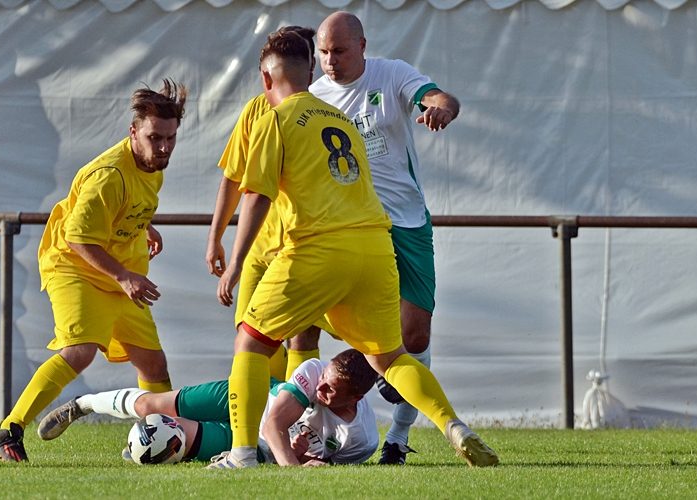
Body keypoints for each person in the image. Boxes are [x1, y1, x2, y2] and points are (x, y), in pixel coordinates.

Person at [209, 29, 497, 470]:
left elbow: (256, 196)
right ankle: (453, 425)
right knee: (390, 357)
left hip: (320, 248)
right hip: (375, 248)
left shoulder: (274, 118)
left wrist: (237, 261)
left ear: (267, 81)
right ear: (309, 71)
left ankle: (244, 454)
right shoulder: (339, 118)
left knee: (250, 341)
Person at [0, 79, 187, 462]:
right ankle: (8, 428)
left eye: (170, 138)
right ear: (133, 132)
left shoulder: (152, 164)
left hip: (119, 273)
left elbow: (128, 203)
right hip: (76, 266)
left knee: (152, 363)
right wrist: (125, 276)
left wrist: (145, 225)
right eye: (154, 137)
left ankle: (162, 439)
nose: (163, 147)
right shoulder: (108, 175)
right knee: (80, 351)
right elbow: (79, 238)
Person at [308, 11, 462, 465]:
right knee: (305, 325)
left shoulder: (390, 74)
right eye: (323, 52)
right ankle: (290, 426)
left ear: (362, 45)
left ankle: (397, 433)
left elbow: (437, 96)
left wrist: (441, 109)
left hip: (407, 223)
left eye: (338, 50)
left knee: (414, 338)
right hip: (352, 229)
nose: (330, 61)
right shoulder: (312, 99)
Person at [206, 25, 331, 381]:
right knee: (250, 337)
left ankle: (291, 420)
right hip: (260, 250)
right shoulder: (258, 111)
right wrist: (215, 236)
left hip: (302, 248)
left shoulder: (323, 111)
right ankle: (263, 422)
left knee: (302, 333)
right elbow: (234, 176)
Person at [38, 348, 380, 466]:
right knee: (151, 406)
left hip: (253, 447)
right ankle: (81, 405)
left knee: (176, 442)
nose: (320, 386)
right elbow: (274, 423)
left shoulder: (360, 440)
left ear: (357, 398)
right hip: (245, 396)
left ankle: (143, 449)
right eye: (324, 380)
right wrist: (292, 464)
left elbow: (311, 460)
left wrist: (300, 455)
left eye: (331, 389)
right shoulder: (314, 371)